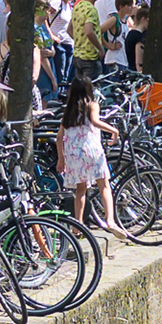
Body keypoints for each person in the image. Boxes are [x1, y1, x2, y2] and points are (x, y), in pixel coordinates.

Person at [58, 76, 131, 239]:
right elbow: (95, 121)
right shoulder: (92, 105)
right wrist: (114, 130)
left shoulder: (68, 110)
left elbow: (59, 137)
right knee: (104, 185)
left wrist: (60, 159)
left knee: (80, 190)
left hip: (73, 154)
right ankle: (110, 221)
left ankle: (77, 225)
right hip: (91, 150)